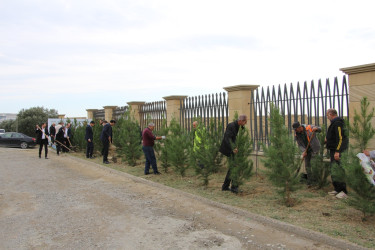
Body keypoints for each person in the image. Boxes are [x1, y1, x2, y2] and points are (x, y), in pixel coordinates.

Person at [219, 115, 247, 194]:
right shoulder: (231, 126)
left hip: (233, 150)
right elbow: (227, 138)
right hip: (229, 149)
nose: (246, 123)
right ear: (240, 121)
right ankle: (234, 187)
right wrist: (232, 148)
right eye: (245, 121)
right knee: (234, 167)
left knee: (232, 168)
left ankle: (225, 186)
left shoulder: (238, 126)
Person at [326, 108, 349, 199]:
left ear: (331, 114)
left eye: (327, 115)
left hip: (337, 151)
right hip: (333, 150)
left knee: (339, 170)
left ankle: (343, 191)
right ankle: (337, 188)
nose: (327, 117)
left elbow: (340, 138)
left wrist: (337, 151)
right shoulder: (334, 123)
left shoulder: (338, 123)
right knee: (334, 169)